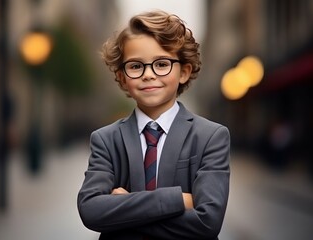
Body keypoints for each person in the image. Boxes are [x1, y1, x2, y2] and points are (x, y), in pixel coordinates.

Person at [77, 10, 230, 240]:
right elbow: (91, 210)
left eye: (161, 64)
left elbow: (208, 221)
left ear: (184, 72)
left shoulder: (210, 137)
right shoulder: (106, 140)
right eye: (136, 66)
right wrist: (179, 200)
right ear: (122, 77)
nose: (148, 75)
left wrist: (123, 215)